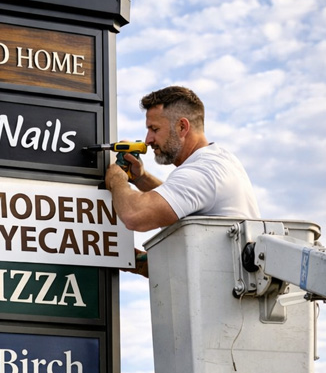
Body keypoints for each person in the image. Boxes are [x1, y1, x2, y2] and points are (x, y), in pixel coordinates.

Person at [104, 86, 260, 275]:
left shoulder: (204, 170)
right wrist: (141, 179)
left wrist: (116, 180)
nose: (148, 140)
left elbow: (134, 215)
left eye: (154, 129)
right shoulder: (219, 161)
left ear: (182, 127)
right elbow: (181, 207)